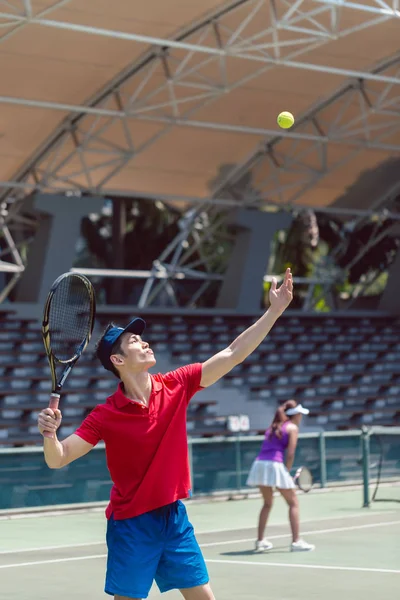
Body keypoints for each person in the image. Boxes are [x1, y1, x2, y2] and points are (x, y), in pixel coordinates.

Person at [37, 268, 293, 600]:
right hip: (131, 525)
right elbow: (59, 458)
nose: (144, 343)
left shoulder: (177, 384)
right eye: (134, 341)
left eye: (142, 338)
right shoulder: (105, 416)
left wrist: (274, 310)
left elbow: (232, 354)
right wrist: (49, 434)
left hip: (173, 519)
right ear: (118, 359)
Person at [246, 399, 315, 553]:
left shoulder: (273, 427)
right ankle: (296, 541)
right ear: (296, 415)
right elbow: (290, 454)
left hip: (260, 464)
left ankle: (260, 541)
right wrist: (286, 472)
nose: (301, 417)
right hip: (274, 465)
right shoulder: (292, 428)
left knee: (267, 503)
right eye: (300, 414)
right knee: (293, 503)